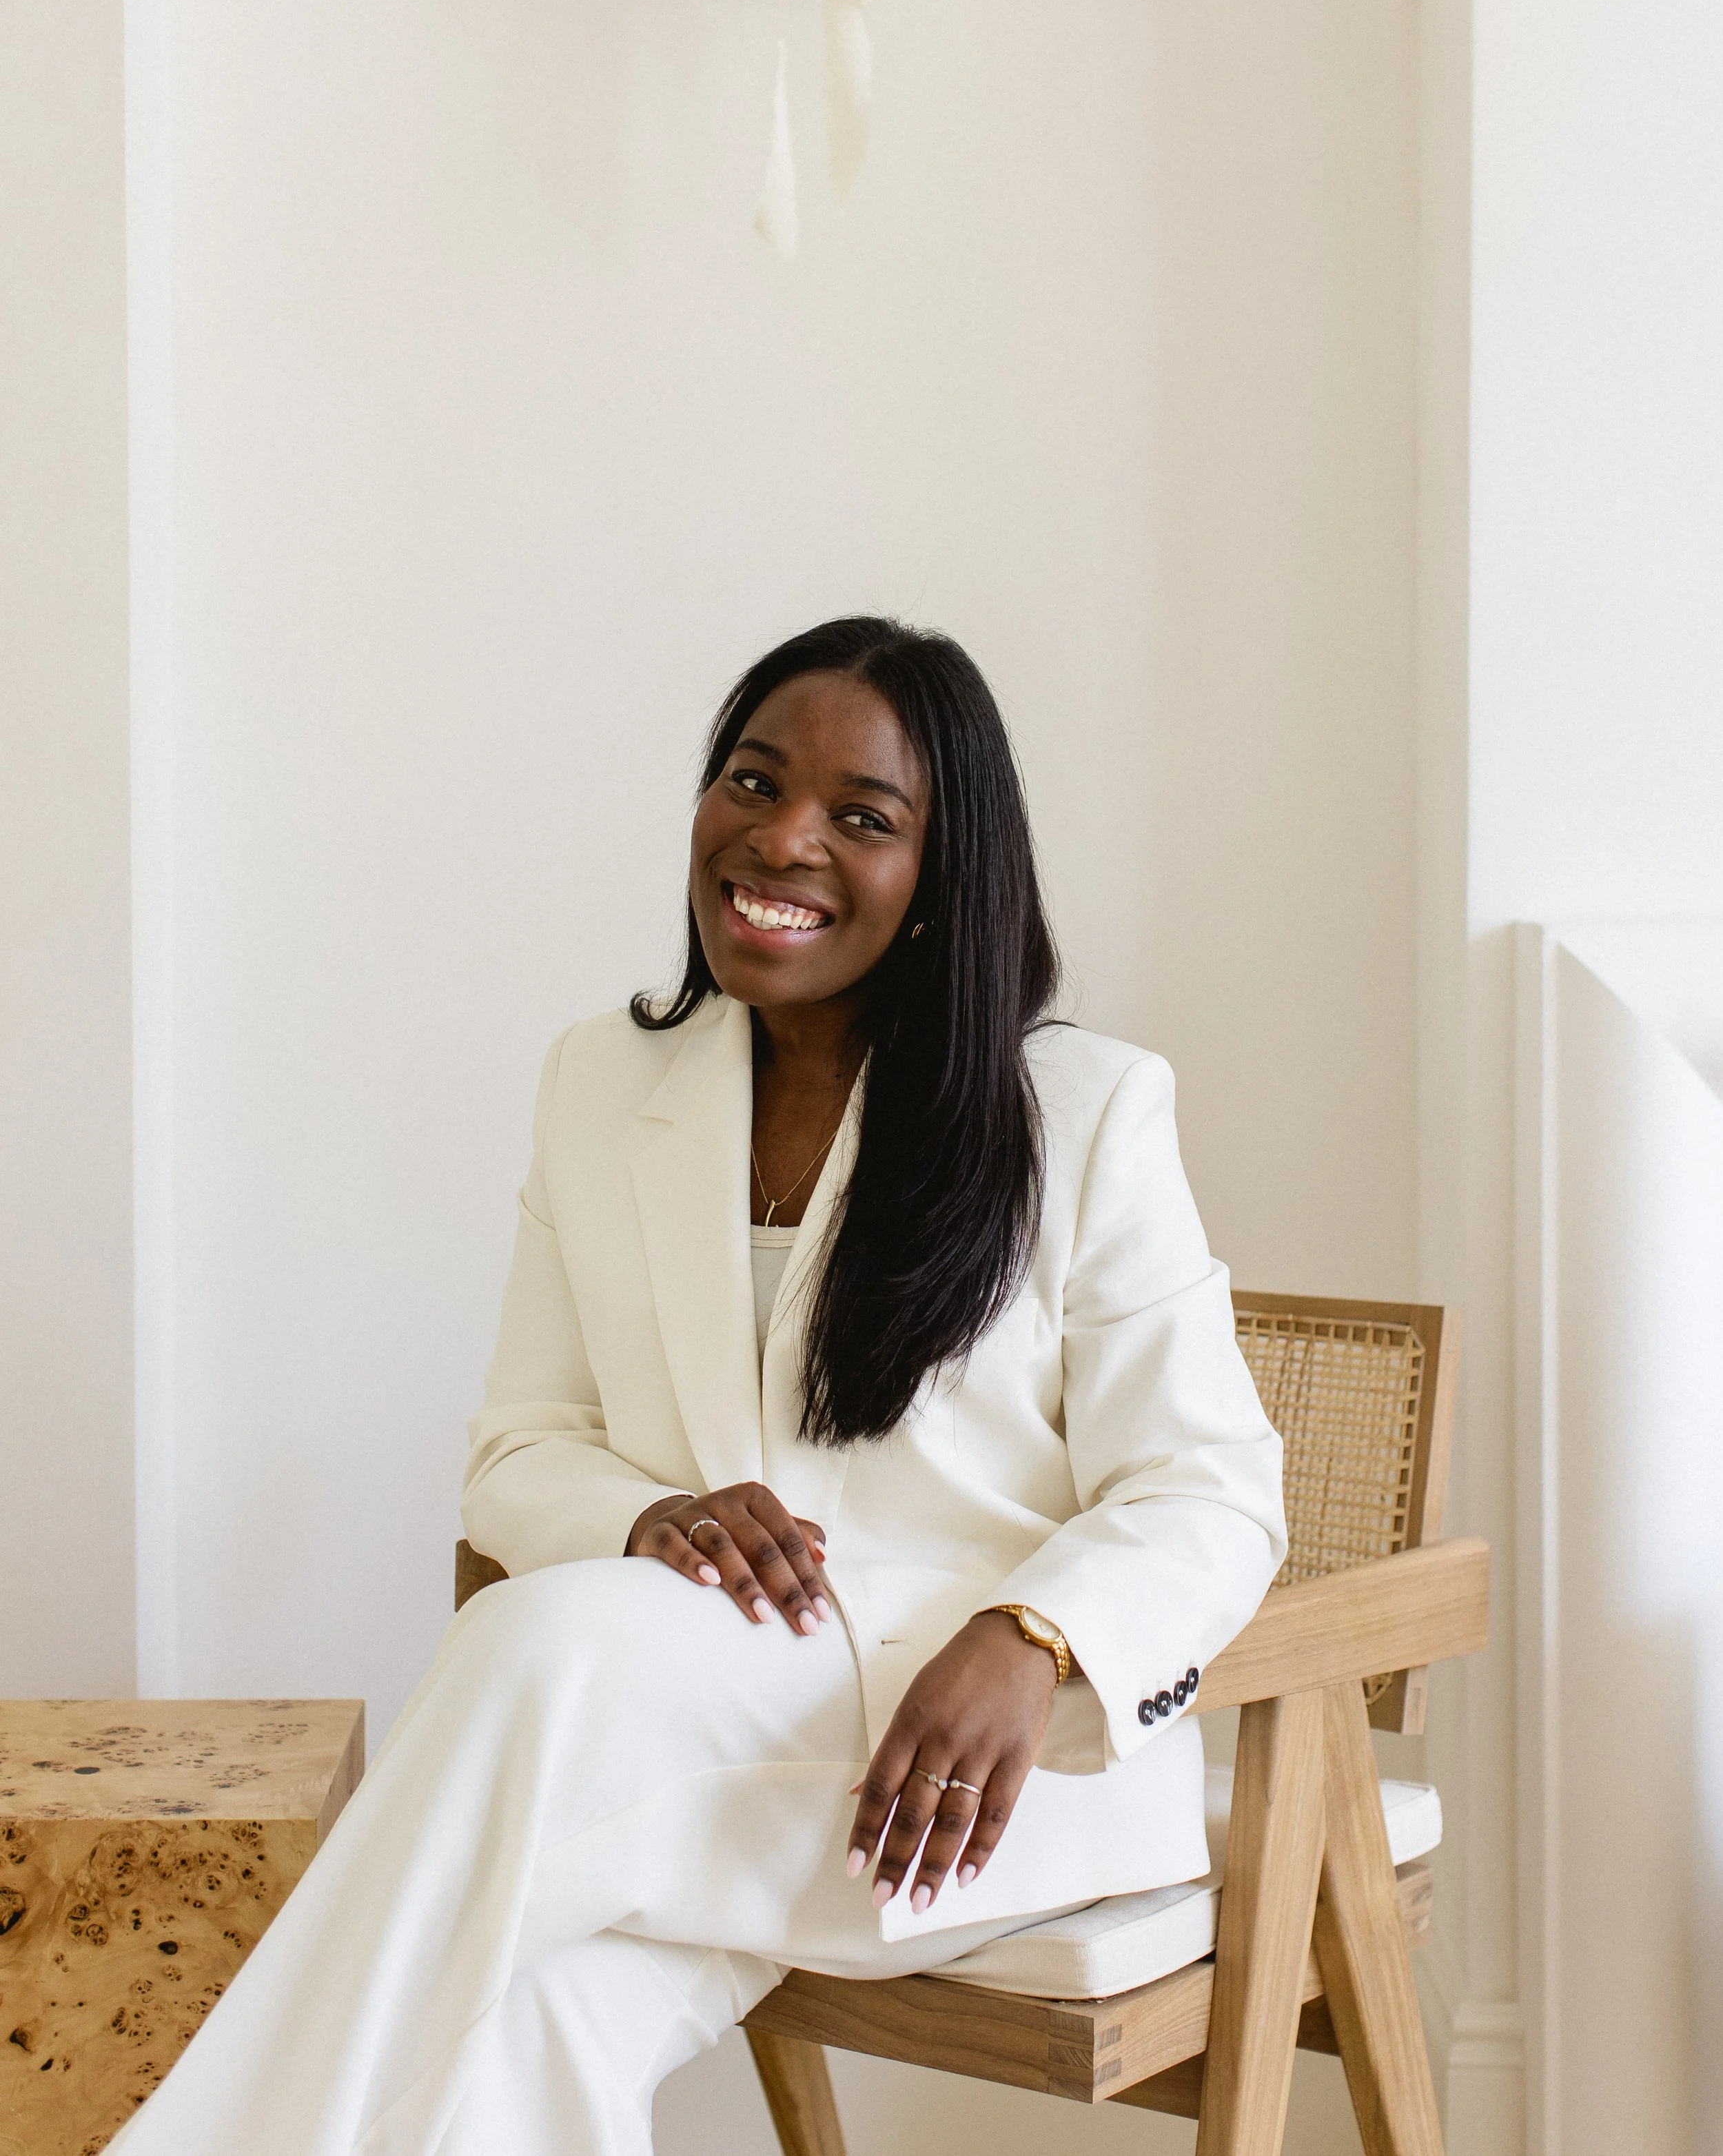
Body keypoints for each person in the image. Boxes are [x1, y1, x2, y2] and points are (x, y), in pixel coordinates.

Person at [111, 616, 1286, 2156]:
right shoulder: (602, 1083)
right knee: (522, 2036)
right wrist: (652, 1510)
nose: (782, 838)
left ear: (944, 878)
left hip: (959, 1789)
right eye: (750, 780)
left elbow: (1210, 1492)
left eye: (861, 818)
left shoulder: (1080, 1111)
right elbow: (519, 1451)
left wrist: (1032, 1636)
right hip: (671, 1762)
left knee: (533, 1651)